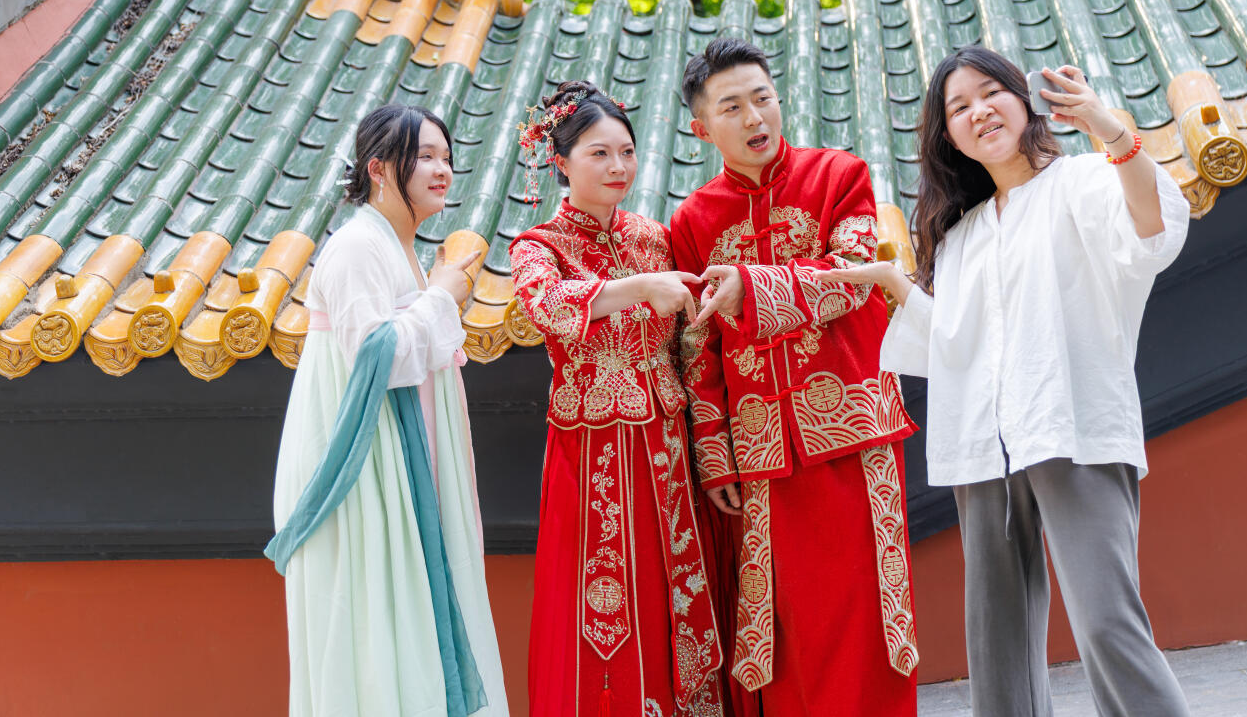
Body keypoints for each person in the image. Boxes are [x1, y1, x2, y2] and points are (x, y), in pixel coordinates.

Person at [819, 45, 1192, 717]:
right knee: (997, 642)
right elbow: (955, 343)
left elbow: (1150, 232)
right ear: (948, 136)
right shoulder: (959, 236)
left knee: (1108, 624)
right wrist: (893, 284)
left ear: (1023, 100)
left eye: (991, 92)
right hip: (982, 446)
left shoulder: (1080, 181)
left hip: (1071, 425)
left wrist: (1109, 128)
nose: (979, 111)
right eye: (959, 107)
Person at [669, 38, 920, 715]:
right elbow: (697, 350)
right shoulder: (692, 222)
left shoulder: (841, 175)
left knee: (869, 613)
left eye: (763, 98)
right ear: (702, 128)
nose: (755, 117)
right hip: (761, 453)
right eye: (732, 107)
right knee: (786, 628)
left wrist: (751, 285)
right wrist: (714, 455)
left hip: (854, 432)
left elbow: (853, 276)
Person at [266, 104, 509, 717]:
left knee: (405, 620)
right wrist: (439, 297)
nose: (442, 170)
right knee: (374, 621)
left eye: (446, 158)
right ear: (378, 168)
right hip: (364, 467)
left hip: (395, 455)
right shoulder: (357, 246)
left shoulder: (396, 245)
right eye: (424, 156)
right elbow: (375, 353)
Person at [509, 81, 726, 717]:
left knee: (674, 586)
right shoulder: (538, 247)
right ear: (561, 162)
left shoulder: (655, 237)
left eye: (626, 152)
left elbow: (694, 346)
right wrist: (638, 288)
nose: (617, 167)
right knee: (602, 597)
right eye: (599, 153)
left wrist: (712, 447)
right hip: (592, 451)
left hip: (667, 446)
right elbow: (547, 306)